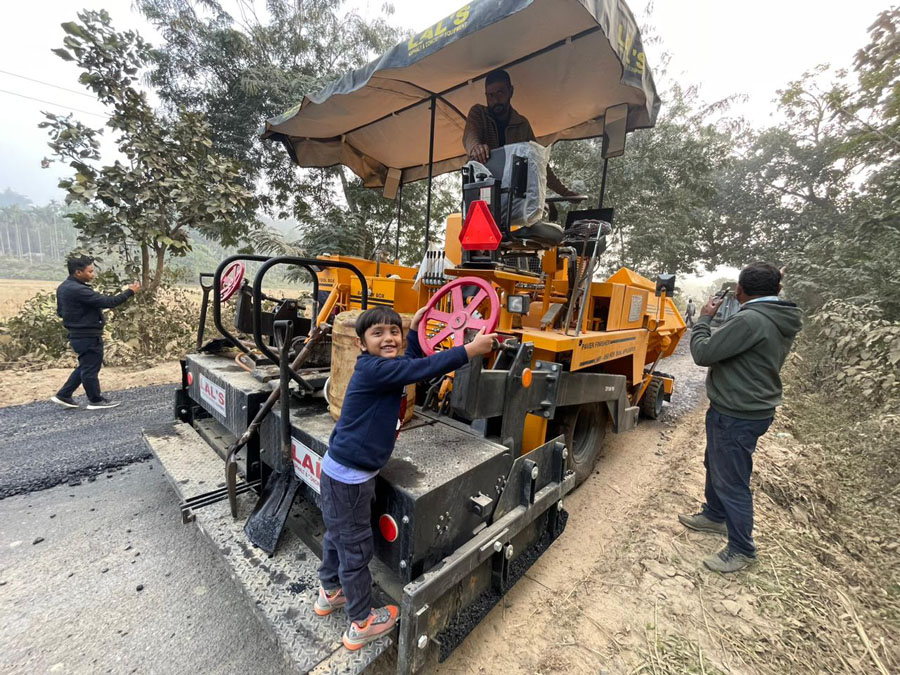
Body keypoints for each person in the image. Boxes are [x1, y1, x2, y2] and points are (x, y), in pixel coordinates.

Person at [314, 306, 497, 650]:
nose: (388, 338)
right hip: (350, 480)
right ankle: (361, 622)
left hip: (346, 473)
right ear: (361, 343)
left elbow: (410, 362)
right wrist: (469, 350)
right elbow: (421, 367)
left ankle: (331, 591)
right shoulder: (374, 369)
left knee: (339, 536)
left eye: (394, 332)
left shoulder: (385, 368)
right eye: (378, 333)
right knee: (356, 549)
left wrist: (414, 331)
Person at [679, 263, 802, 573]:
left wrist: (704, 318)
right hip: (749, 408)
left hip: (736, 412)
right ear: (778, 290)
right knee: (716, 463)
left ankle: (742, 549)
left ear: (740, 291)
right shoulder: (778, 315)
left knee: (731, 481)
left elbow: (703, 353)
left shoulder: (750, 320)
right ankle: (714, 515)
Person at [462, 69, 576, 197]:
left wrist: (565, 193)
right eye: (490, 95)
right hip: (481, 192)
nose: (496, 100)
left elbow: (538, 162)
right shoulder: (478, 113)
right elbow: (470, 135)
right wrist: (476, 147)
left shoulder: (522, 124)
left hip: (511, 197)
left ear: (511, 91)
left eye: (500, 93)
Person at [51, 255, 140, 410]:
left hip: (77, 333)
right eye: (90, 271)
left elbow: (60, 312)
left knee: (86, 365)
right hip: (87, 335)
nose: (93, 275)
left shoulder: (64, 287)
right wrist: (130, 292)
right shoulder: (79, 290)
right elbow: (108, 302)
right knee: (91, 368)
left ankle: (64, 394)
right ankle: (95, 400)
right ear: (78, 272)